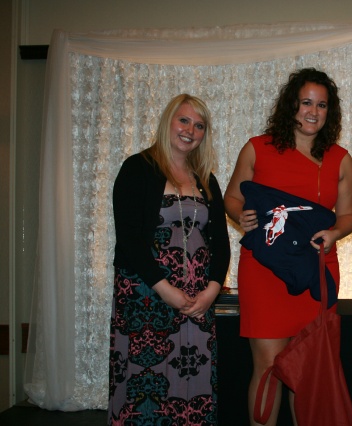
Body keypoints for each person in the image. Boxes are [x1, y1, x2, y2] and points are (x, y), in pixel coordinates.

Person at [224, 68, 352, 426]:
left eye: (322, 105)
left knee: (307, 371)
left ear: (330, 112)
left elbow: (348, 216)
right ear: (291, 105)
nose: (313, 111)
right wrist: (241, 215)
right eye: (306, 103)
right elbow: (232, 197)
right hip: (264, 271)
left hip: (315, 271)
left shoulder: (340, 159)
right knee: (267, 367)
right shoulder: (257, 148)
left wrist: (335, 233)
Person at [109, 94, 231, 425]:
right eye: (184, 120)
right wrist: (165, 289)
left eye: (199, 125)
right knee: (144, 389)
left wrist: (211, 291)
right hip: (145, 296)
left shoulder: (206, 179)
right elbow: (129, 240)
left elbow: (220, 243)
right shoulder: (137, 168)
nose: (190, 130)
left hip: (196, 301)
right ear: (168, 121)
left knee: (193, 383)